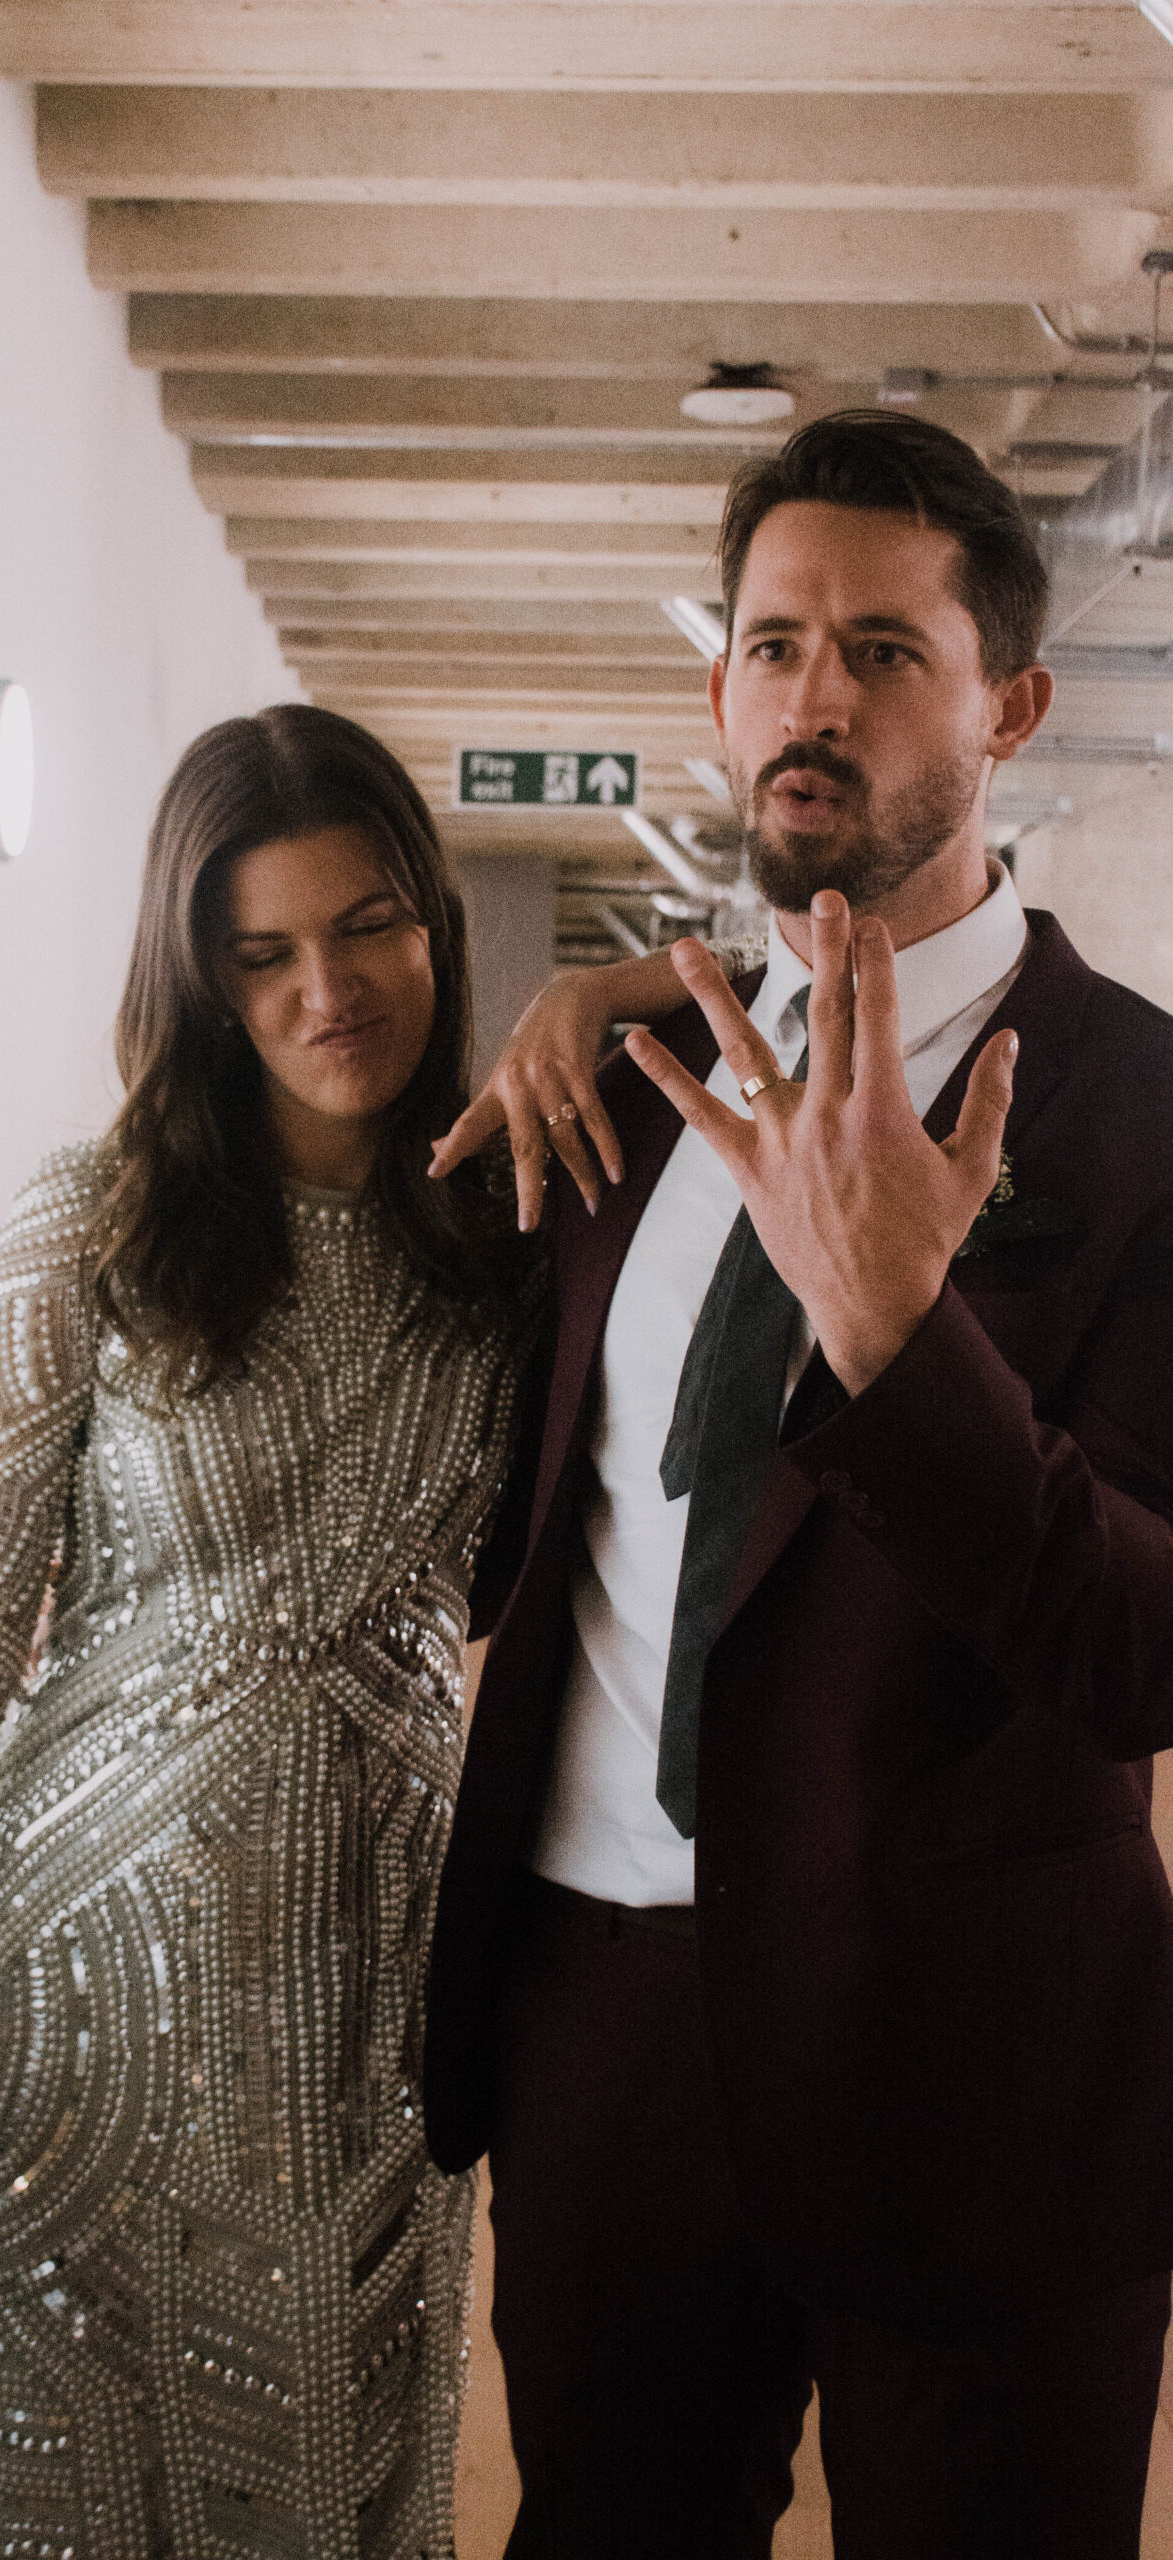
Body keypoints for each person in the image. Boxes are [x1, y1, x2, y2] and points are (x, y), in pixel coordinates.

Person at [0, 706, 747, 2560]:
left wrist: (606, 992)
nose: (326, 994)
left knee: (344, 2491)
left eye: (366, 928)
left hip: (374, 1978)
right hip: (74, 1994)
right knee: (58, 2504)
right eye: (262, 954)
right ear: (198, 977)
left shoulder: (519, 1218)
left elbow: (812, 997)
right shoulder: (97, 1219)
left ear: (434, 922)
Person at [424, 408, 1173, 2558]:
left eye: (881, 650)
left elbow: (1141, 1645)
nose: (809, 697)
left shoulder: (1141, 1117)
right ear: (717, 695)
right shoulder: (624, 1083)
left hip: (983, 2063)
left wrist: (896, 1339)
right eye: (769, 646)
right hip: (604, 2029)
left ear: (1009, 707)